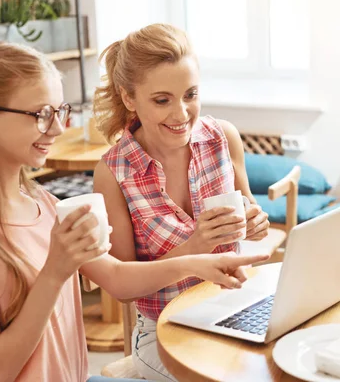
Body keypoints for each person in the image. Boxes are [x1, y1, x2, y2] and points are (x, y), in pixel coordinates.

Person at [0, 41, 268, 382]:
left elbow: (116, 276)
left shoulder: (45, 204)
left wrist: (199, 262)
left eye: (60, 112)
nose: (57, 129)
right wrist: (56, 271)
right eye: (42, 114)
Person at [93, 23, 270, 381]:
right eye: (162, 100)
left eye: (190, 94)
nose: (182, 113)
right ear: (129, 98)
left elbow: (251, 214)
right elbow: (124, 286)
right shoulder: (114, 173)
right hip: (163, 331)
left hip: (233, 310)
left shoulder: (223, 138)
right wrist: (195, 247)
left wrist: (255, 221)